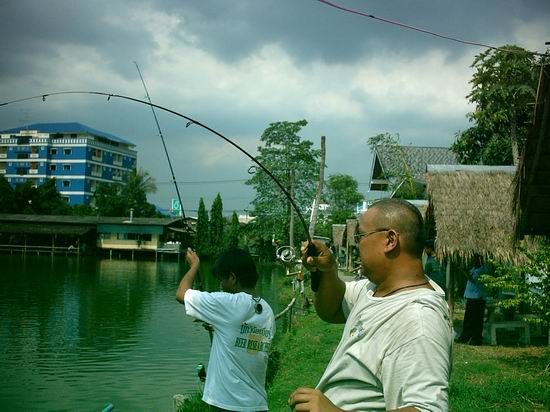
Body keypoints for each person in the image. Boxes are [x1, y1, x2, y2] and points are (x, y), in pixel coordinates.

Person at [289, 198, 452, 412]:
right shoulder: (375, 288)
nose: (357, 244)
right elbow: (332, 309)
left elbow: (428, 409)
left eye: (361, 235)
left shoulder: (418, 320)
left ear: (390, 240)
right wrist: (328, 270)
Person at [176, 247, 275, 412]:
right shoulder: (266, 311)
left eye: (222, 280)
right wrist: (221, 329)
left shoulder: (229, 303)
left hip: (227, 404)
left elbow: (181, 294)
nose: (221, 285)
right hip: (256, 404)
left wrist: (194, 266)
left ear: (233, 278)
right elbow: (250, 347)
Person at [456, 256, 490, 345]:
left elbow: (474, 280)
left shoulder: (483, 269)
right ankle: (466, 336)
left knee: (477, 319)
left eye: (474, 259)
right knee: (469, 318)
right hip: (471, 296)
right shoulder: (474, 268)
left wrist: (464, 272)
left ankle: (476, 338)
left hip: (478, 297)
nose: (472, 261)